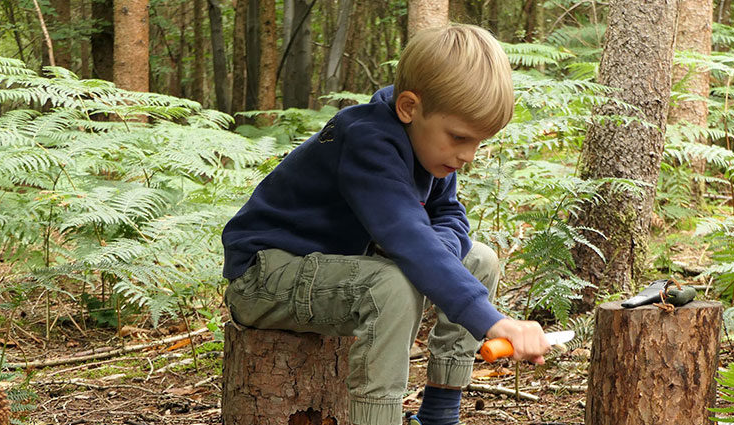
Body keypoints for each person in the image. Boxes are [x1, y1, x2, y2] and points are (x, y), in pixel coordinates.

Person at [220, 24, 550, 425]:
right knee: (391, 286)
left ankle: (440, 414)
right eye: (460, 137)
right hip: (266, 275)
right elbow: (406, 234)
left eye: (479, 142)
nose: (468, 155)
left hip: (332, 268)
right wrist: (493, 321)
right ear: (410, 107)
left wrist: (436, 259)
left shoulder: (431, 146)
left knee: (479, 260)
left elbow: (448, 216)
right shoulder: (366, 141)